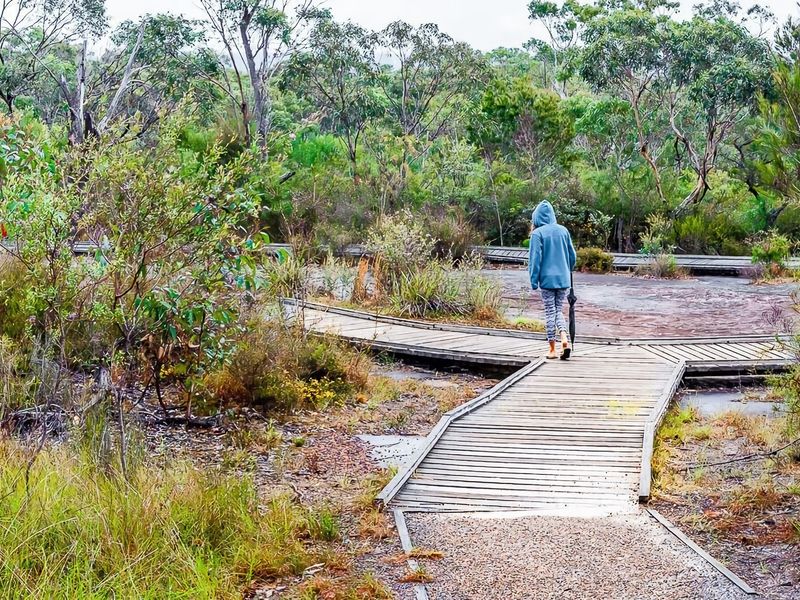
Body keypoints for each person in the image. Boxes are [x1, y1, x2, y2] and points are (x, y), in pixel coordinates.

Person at [528, 200, 577, 360]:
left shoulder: (537, 234)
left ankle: (552, 349)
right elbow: (572, 256)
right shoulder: (563, 230)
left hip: (547, 280)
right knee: (558, 310)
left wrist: (533, 280)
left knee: (550, 311)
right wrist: (567, 268)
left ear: (536, 217)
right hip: (563, 279)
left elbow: (535, 260)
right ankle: (564, 338)